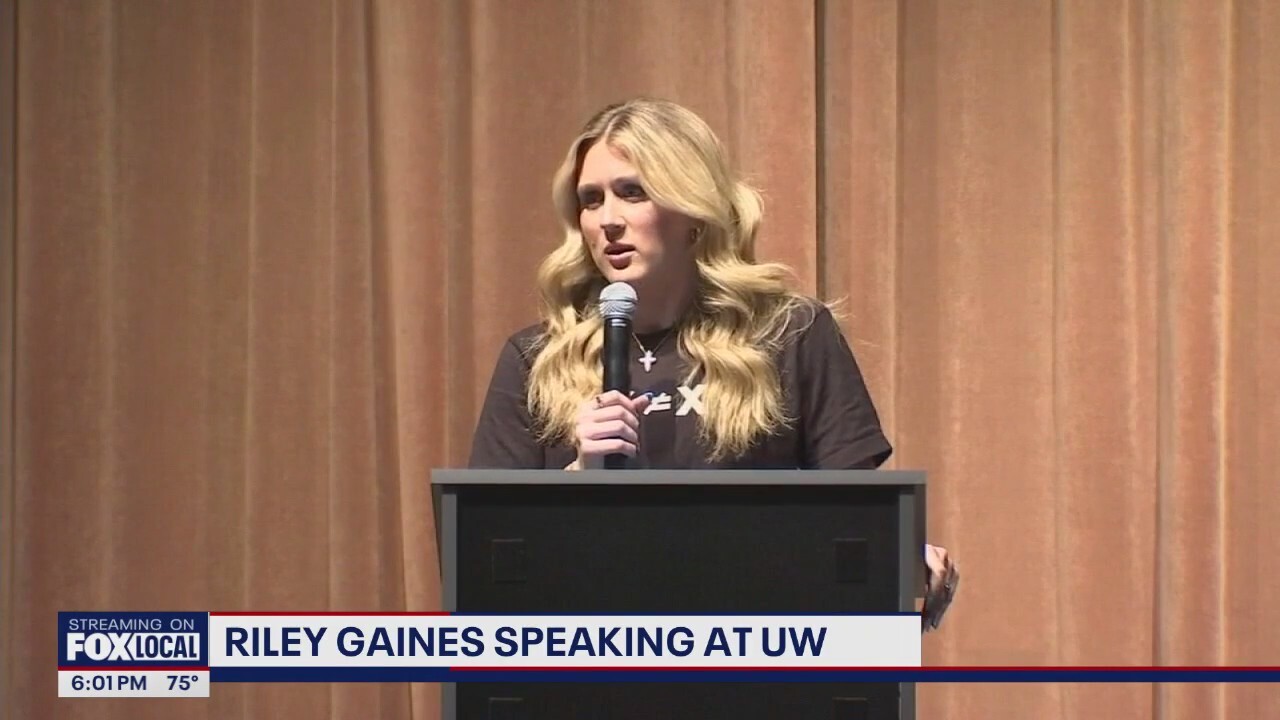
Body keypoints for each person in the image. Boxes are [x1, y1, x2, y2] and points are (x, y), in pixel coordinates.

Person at [468, 98, 957, 629]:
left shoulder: (789, 335)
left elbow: (852, 526)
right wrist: (576, 477)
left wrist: (900, 557)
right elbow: (486, 565)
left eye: (633, 192)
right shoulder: (536, 359)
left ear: (693, 214)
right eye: (591, 200)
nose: (607, 220)